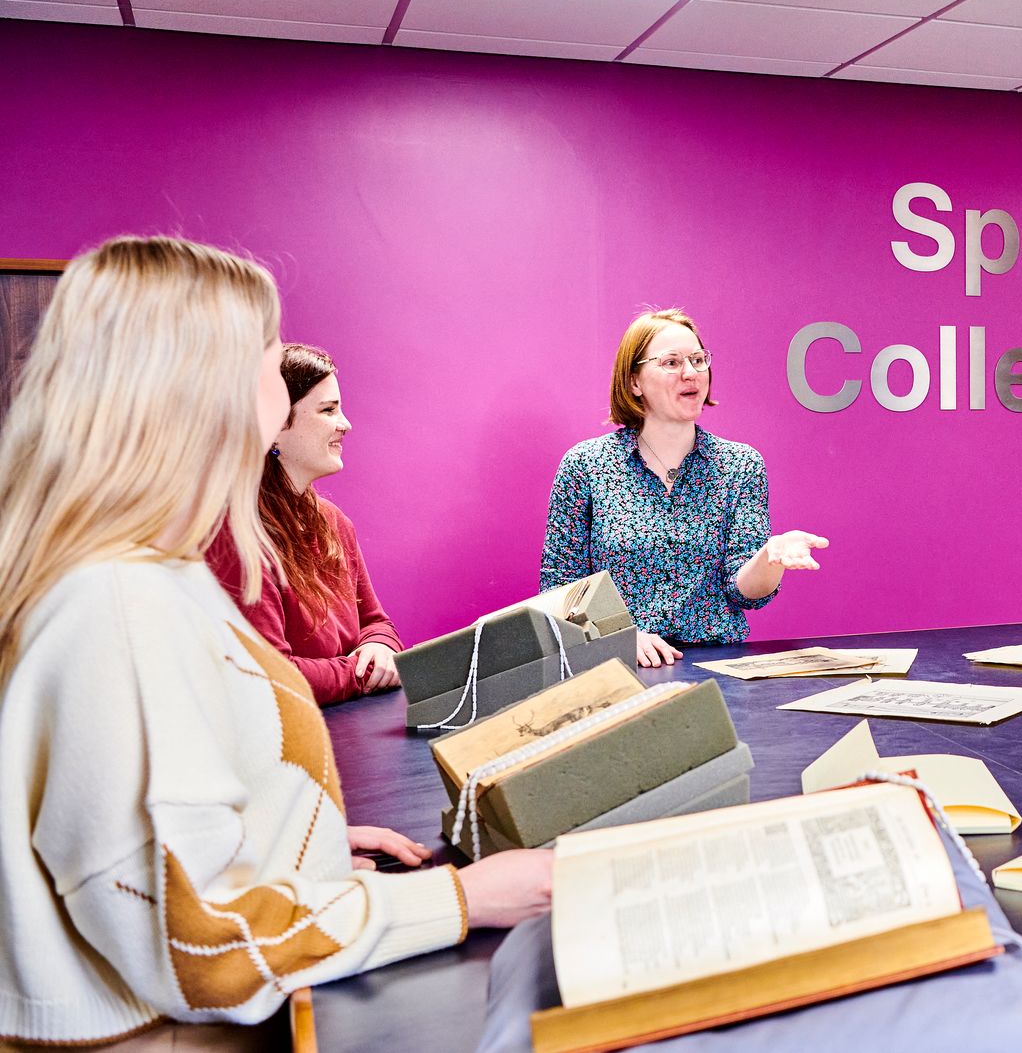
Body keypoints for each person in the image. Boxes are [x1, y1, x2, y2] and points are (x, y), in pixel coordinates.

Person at [0, 237, 550, 1043]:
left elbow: (156, 836)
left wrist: (299, 840)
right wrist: (466, 898)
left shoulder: (149, 571)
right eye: (267, 351)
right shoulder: (117, 604)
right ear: (207, 384)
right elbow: (205, 947)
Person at [542, 308, 827, 665]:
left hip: (718, 668)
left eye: (697, 360)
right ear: (634, 382)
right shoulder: (585, 464)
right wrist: (614, 639)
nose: (691, 373)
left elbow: (745, 594)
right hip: (616, 667)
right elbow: (559, 590)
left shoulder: (740, 465)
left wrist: (770, 557)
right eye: (672, 362)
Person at [205, 343, 404, 705]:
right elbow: (271, 675)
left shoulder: (335, 523)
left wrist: (380, 646)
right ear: (275, 427)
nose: (345, 424)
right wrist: (359, 674)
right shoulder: (238, 536)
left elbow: (376, 621)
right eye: (328, 410)